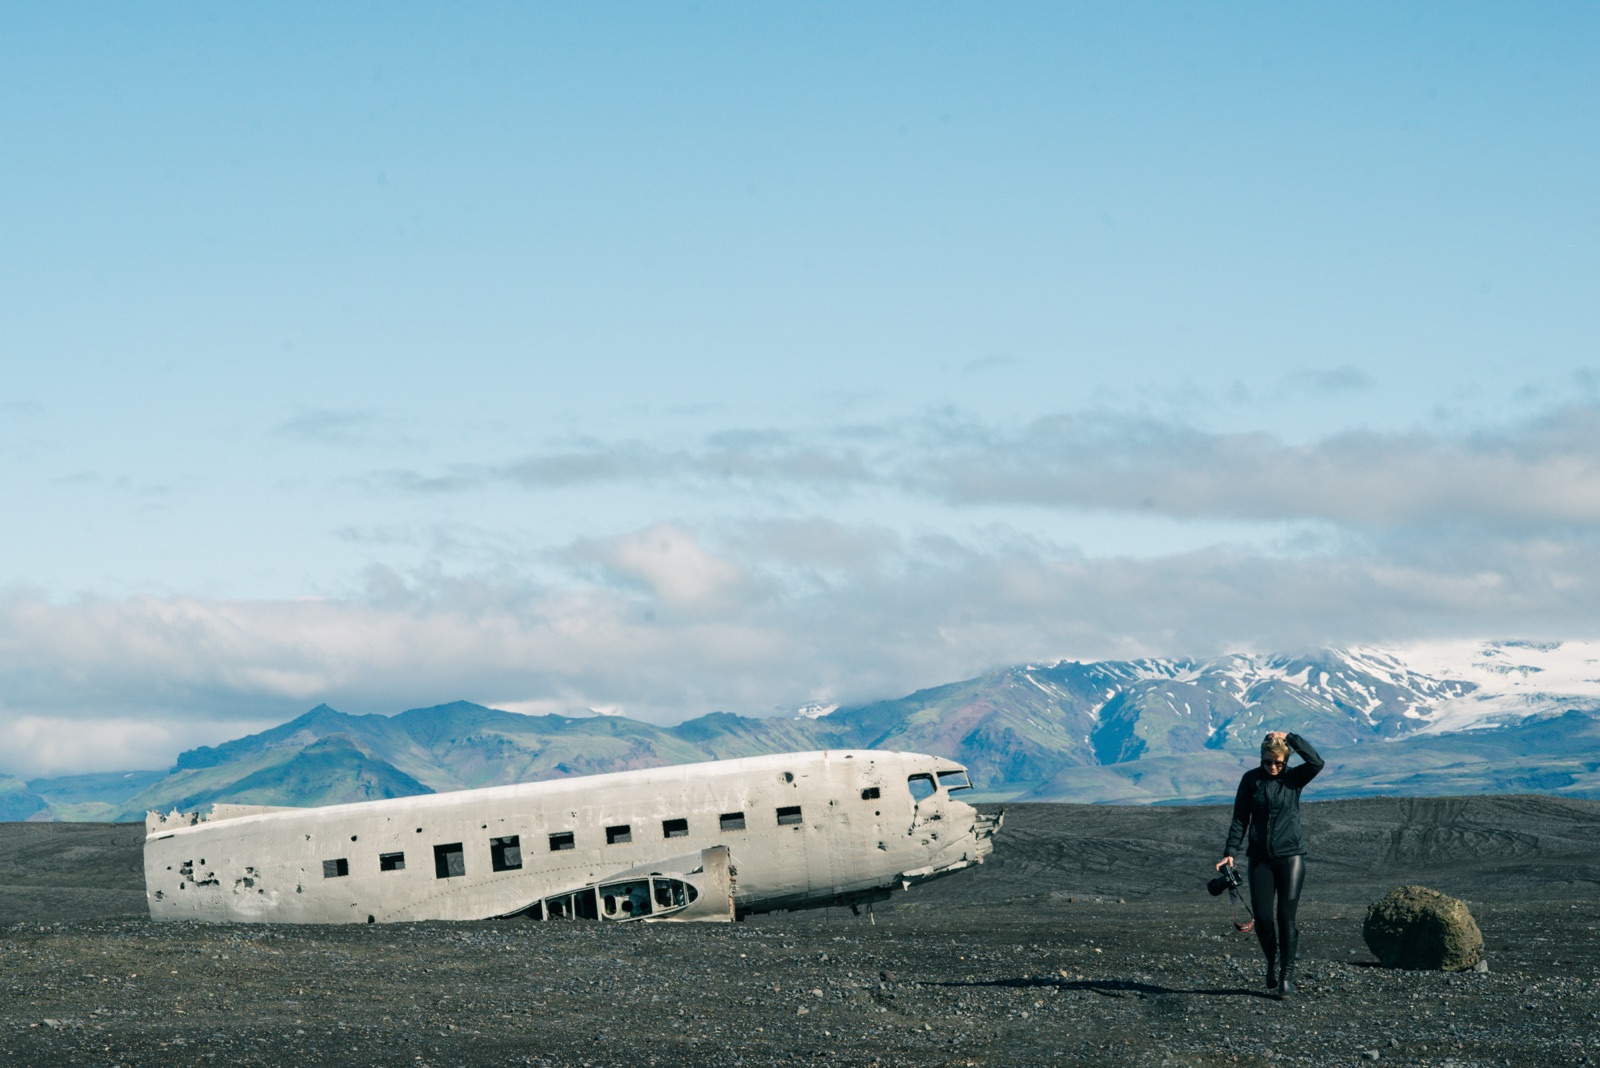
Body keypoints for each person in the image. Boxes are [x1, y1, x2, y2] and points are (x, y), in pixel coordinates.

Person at [1215, 730, 1324, 998]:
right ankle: (1271, 962)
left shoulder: (1294, 778)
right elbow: (1240, 818)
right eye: (1267, 762)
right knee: (1263, 919)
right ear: (1261, 758)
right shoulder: (1250, 780)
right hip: (1259, 858)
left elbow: (1316, 763)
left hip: (1291, 857)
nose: (1273, 767)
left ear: (1285, 760)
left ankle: (1286, 976)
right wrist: (1230, 851)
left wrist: (1292, 737)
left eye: (1278, 762)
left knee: (1285, 918)